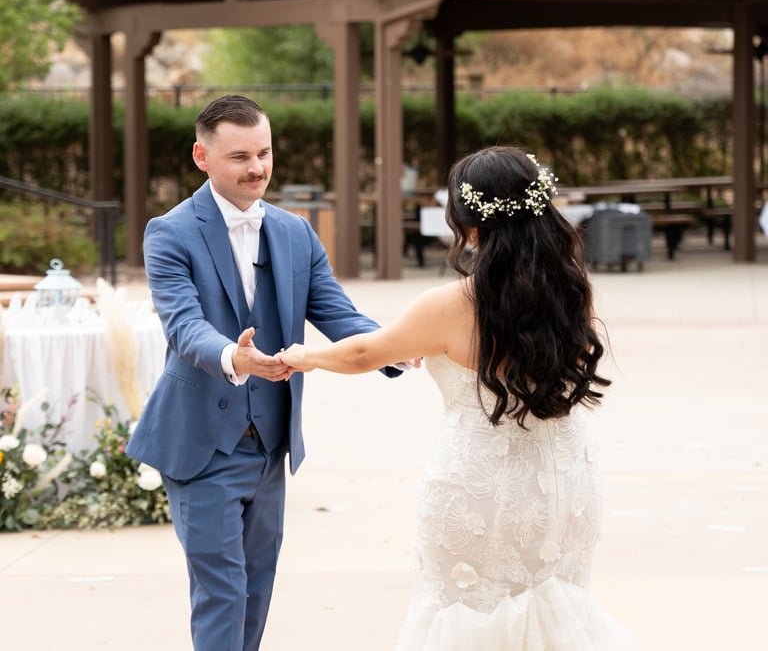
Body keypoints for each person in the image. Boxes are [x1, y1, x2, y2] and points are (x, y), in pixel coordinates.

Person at [278, 147, 635, 650]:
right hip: (565, 482)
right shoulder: (572, 289)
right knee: (555, 610)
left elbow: (363, 353)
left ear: (468, 226)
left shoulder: (450, 304)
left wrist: (304, 356)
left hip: (478, 489)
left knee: (466, 618)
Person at [126, 94, 402, 651]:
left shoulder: (296, 232)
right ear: (202, 157)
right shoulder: (169, 232)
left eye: (264, 153)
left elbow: (337, 312)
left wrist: (394, 345)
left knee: (256, 589)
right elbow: (184, 327)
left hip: (270, 443)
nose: (257, 168)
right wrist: (235, 357)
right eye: (240, 157)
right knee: (223, 592)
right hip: (201, 442)